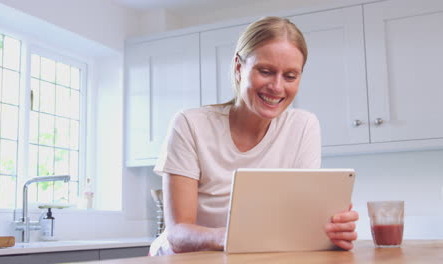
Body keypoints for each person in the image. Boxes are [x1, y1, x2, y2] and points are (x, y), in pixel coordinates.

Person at [150, 16, 359, 256]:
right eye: (266, 71)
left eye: (290, 76)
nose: (277, 87)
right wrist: (231, 236)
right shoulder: (190, 124)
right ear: (239, 68)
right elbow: (177, 234)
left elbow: (298, 221)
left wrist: (329, 232)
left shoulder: (303, 126)